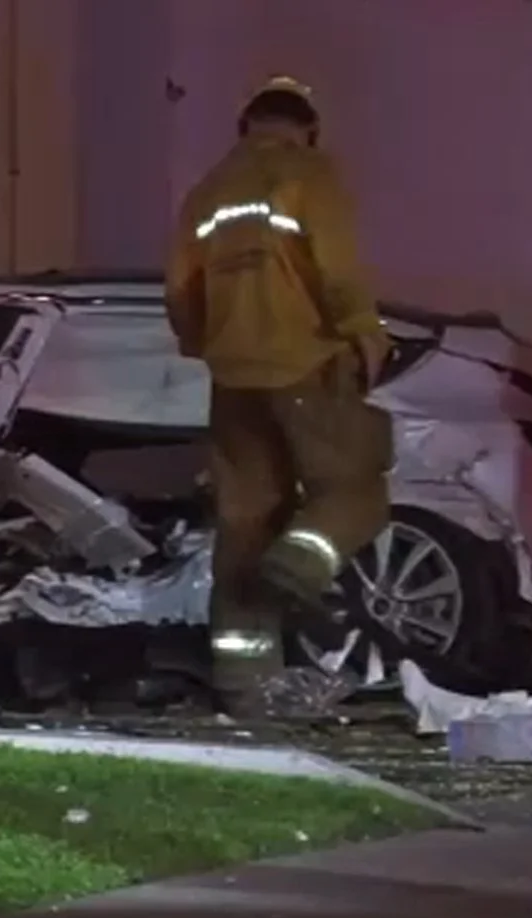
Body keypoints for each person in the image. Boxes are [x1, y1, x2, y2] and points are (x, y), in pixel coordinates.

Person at [164, 75, 394, 715]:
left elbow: (181, 292)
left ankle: (244, 685)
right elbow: (337, 265)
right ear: (307, 127)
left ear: (246, 127)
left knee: (243, 525)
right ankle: (297, 566)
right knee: (355, 488)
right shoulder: (309, 174)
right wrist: (363, 333)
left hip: (233, 378)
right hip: (304, 363)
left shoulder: (206, 192)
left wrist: (206, 343)